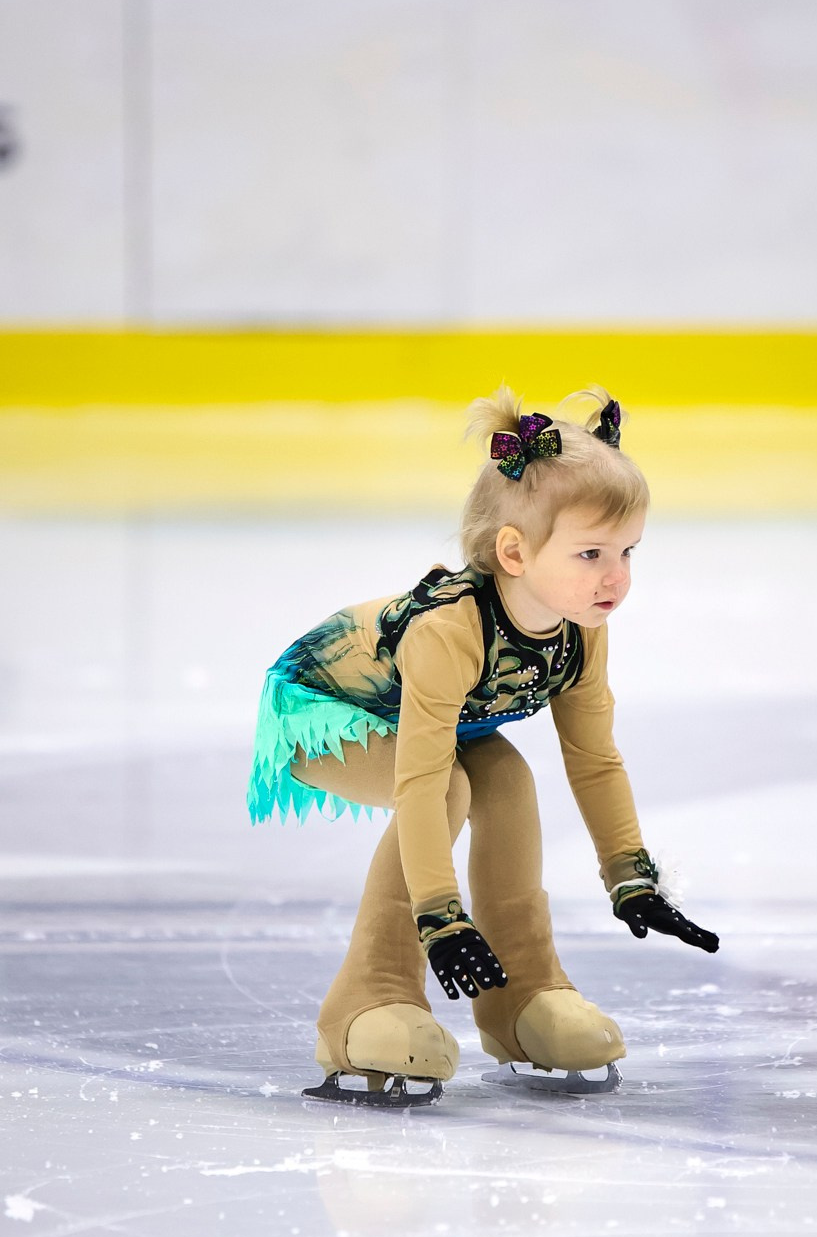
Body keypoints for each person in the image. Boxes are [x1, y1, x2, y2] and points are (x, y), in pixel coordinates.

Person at [247, 384, 719, 1105]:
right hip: (321, 709)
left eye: (627, 551)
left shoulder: (579, 635)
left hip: (432, 724)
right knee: (451, 789)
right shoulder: (449, 632)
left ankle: (523, 998)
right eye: (591, 552)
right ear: (514, 551)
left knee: (508, 785)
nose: (616, 576)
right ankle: (363, 1001)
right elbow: (420, 778)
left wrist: (631, 876)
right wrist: (442, 918)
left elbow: (595, 759)